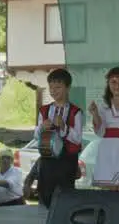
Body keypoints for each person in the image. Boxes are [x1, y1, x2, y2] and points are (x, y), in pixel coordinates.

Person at [34, 68, 83, 207]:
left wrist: (64, 127)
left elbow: (78, 139)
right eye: (51, 87)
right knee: (46, 196)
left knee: (66, 197)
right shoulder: (44, 110)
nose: (53, 91)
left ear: (68, 88)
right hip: (47, 160)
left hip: (67, 161)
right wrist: (42, 127)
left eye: (58, 87)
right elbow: (36, 135)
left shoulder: (75, 112)